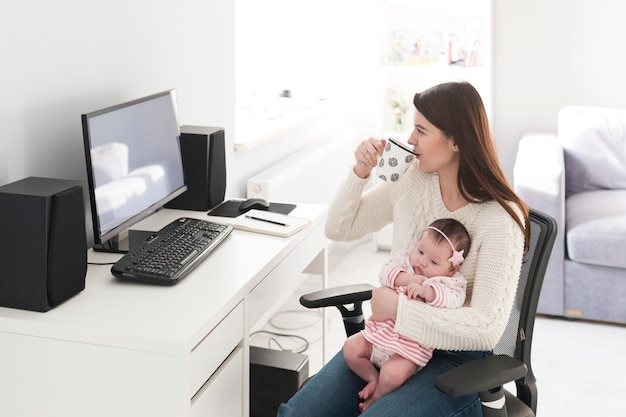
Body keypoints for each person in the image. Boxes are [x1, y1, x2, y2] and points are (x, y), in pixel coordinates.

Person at [277, 80, 529, 417]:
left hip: (455, 361)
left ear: (455, 139)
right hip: (388, 341)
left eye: (421, 130)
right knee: (298, 414)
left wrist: (398, 308)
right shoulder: (412, 179)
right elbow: (340, 227)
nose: (410, 139)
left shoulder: (501, 218)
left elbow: (486, 329)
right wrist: (360, 172)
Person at [344, 218, 471, 412]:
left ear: (452, 269)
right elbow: (385, 273)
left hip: (407, 350)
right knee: (351, 348)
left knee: (392, 374)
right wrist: (408, 278)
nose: (422, 261)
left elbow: (455, 299)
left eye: (434, 261)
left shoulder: (450, 282)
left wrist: (428, 291)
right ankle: (372, 378)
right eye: (420, 251)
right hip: (377, 337)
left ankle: (377, 396)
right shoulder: (405, 261)